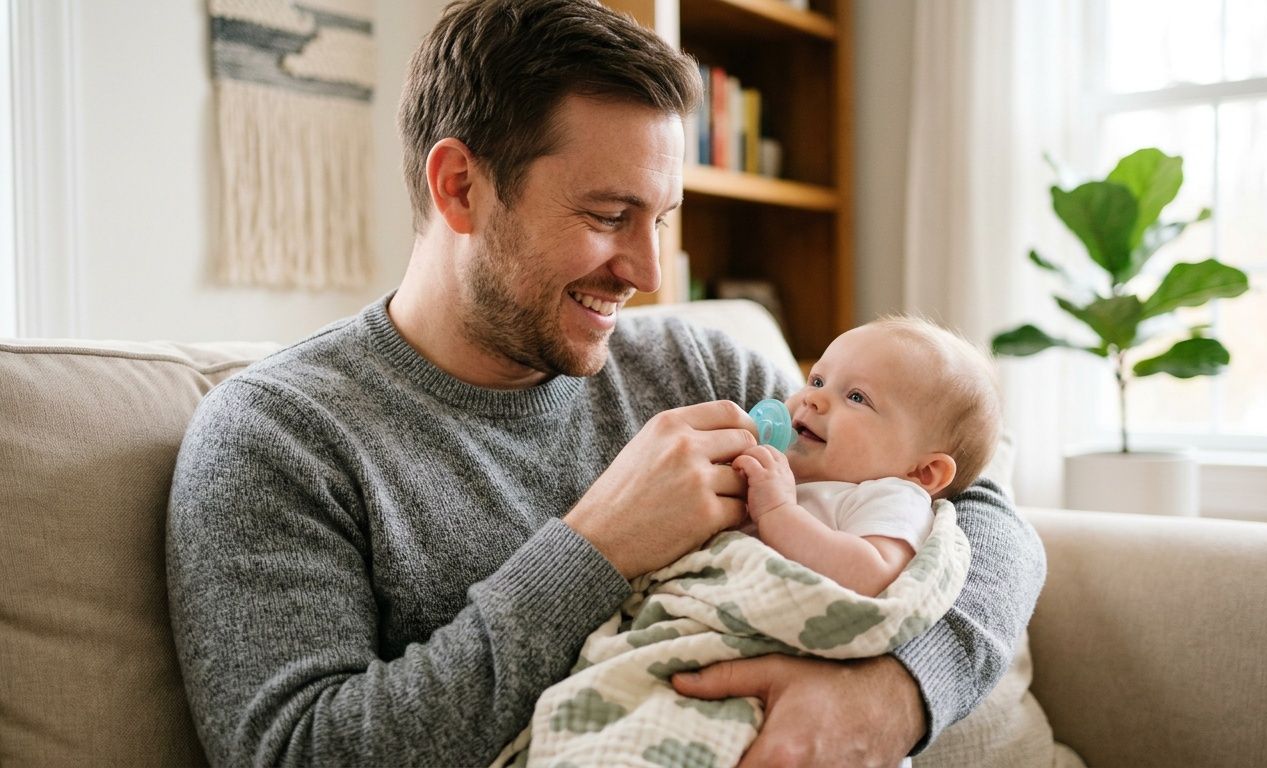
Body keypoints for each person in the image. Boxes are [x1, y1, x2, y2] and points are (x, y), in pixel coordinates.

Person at [165, 1, 1045, 766]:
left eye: (661, 218)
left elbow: (980, 513)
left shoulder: (702, 370)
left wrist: (897, 697)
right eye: (608, 216)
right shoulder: (279, 436)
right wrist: (594, 551)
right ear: (460, 187)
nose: (648, 271)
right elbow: (299, 750)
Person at [735, 316, 1002, 597]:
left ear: (923, 472)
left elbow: (873, 575)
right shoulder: (777, 466)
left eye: (857, 397)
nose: (813, 399)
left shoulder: (890, 496)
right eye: (816, 380)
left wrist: (777, 511)